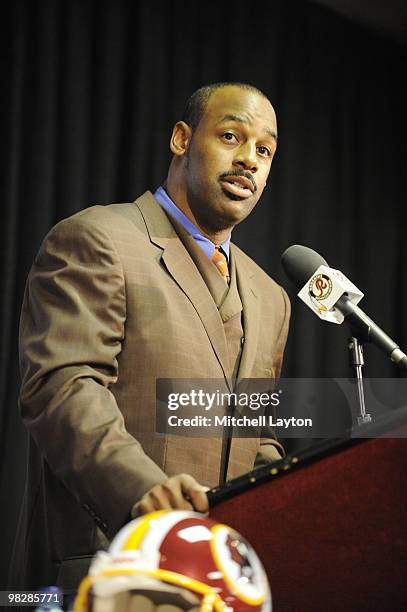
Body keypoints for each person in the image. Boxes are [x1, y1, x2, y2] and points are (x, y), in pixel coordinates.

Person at [11, 82, 290, 594]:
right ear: (182, 140)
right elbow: (63, 387)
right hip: (107, 568)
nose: (249, 159)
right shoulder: (100, 238)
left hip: (218, 586)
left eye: (265, 150)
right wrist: (145, 491)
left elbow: (259, 438)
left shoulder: (272, 297)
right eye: (231, 136)